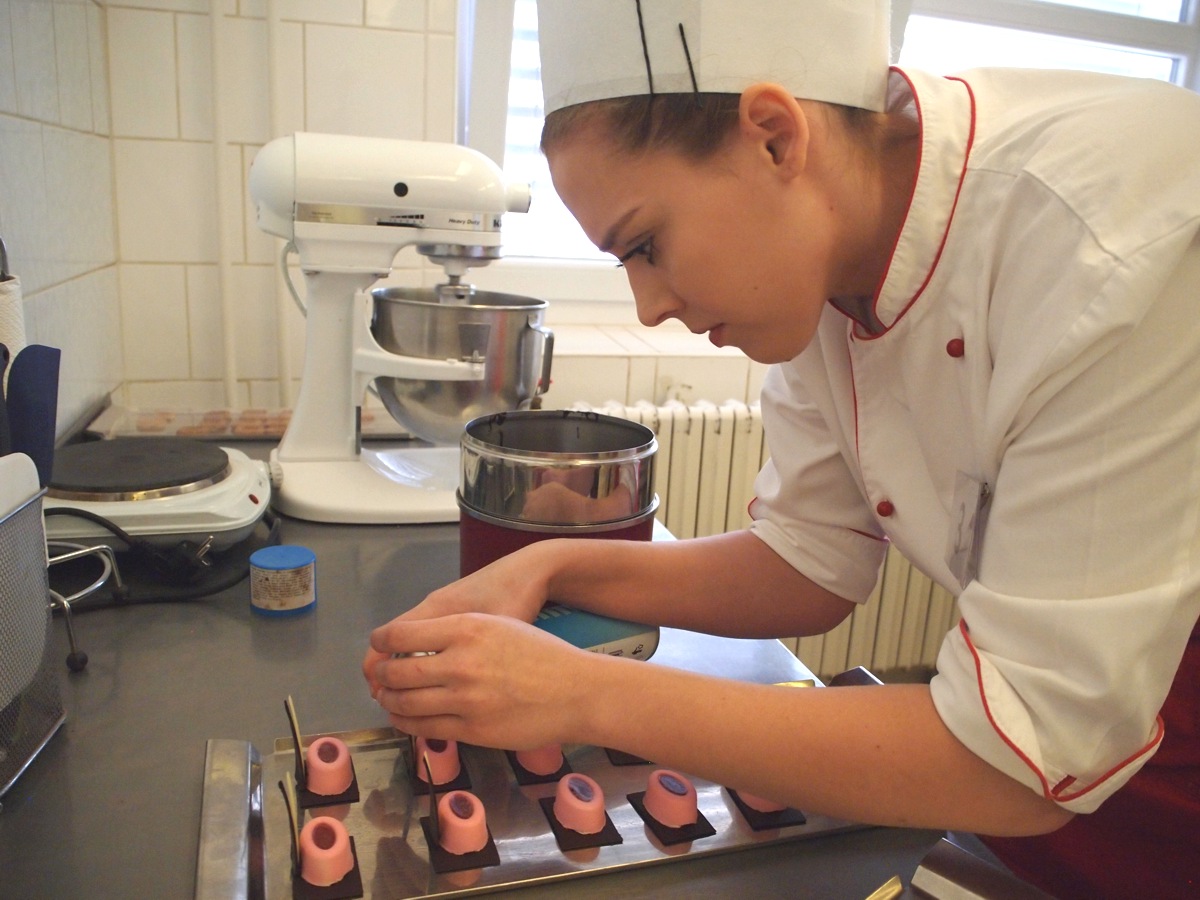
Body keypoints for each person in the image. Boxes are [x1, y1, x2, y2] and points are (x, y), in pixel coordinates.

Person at [363, 1, 1200, 896]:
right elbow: (808, 565)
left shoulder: (1113, 240)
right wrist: (552, 568)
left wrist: (580, 693)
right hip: (1028, 807)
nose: (649, 306)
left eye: (646, 245)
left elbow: (1018, 759)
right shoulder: (825, 259)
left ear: (774, 136)